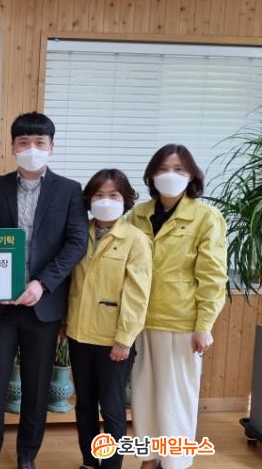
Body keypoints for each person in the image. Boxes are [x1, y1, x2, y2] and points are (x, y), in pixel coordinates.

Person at [0, 111, 89, 469]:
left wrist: (43, 283)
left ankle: (27, 456)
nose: (32, 149)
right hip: (1, 307)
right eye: (24, 142)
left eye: (40, 142)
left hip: (43, 306)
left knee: (37, 387)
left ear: (51, 147)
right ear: (13, 147)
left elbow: (76, 243)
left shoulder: (69, 190)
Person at [128, 144, 228, 469]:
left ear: (192, 176)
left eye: (179, 169)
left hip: (181, 322)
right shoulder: (137, 215)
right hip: (139, 321)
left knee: (176, 400)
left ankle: (175, 463)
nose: (170, 175)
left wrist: (204, 326)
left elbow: (213, 277)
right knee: (143, 396)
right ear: (151, 175)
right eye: (163, 169)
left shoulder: (206, 217)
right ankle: (149, 458)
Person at [67, 169, 152, 469]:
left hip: (113, 340)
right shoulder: (79, 234)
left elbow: (137, 295)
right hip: (79, 335)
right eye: (99, 195)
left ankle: (112, 465)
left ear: (125, 200)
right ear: (89, 200)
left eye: (113, 195)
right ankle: (89, 462)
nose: (105, 201)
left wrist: (124, 340)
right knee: (84, 405)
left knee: (112, 408)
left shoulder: (136, 240)